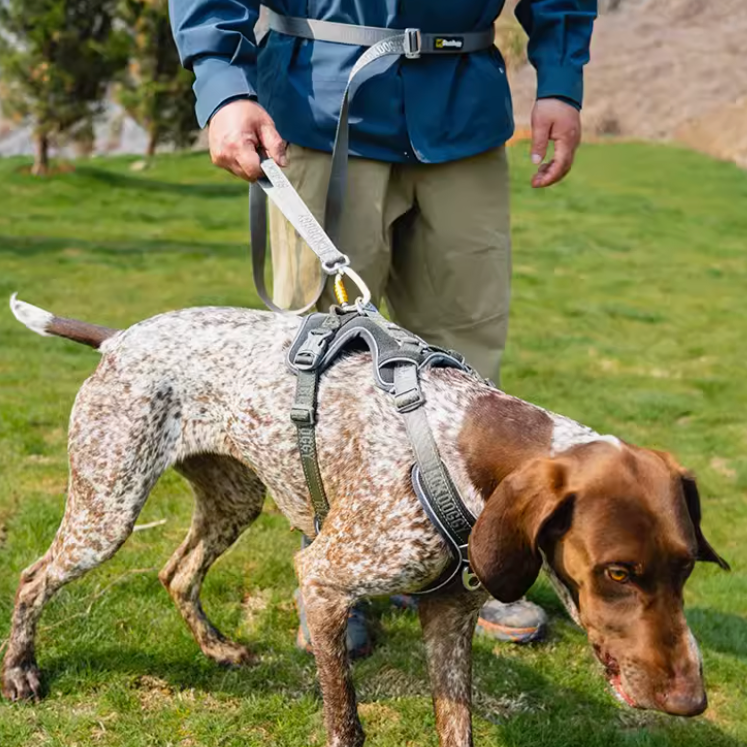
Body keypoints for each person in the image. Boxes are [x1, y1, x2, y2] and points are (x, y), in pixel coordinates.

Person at [169, 0, 596, 656]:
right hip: (316, 108)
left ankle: (470, 564)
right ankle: (334, 567)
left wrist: (560, 82)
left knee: (467, 364)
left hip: (463, 115)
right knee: (318, 373)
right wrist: (222, 84)